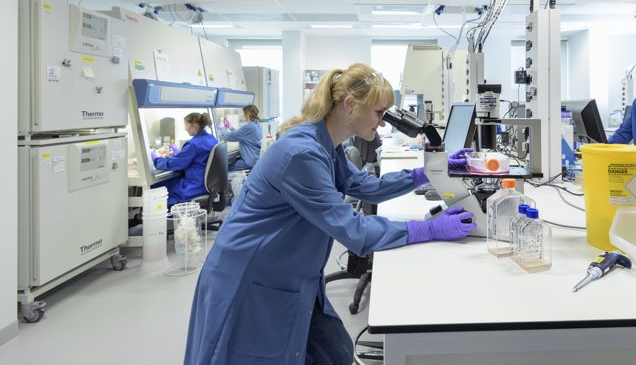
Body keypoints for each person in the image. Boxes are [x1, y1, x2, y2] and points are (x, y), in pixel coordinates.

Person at [183, 63, 476, 365]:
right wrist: (427, 229)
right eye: (379, 112)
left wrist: (426, 172)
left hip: (294, 276)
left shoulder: (325, 145)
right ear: (350, 105)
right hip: (252, 277)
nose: (383, 123)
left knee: (335, 353)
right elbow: (354, 230)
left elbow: (366, 186)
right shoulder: (302, 154)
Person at [151, 112, 218, 206]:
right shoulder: (211, 138)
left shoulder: (193, 144)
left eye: (186, 126)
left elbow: (174, 164)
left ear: (195, 126)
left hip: (193, 186)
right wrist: (181, 153)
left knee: (156, 187)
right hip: (206, 184)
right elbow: (198, 157)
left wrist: (156, 159)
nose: (185, 129)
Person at [218, 104, 263, 171]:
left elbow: (229, 137)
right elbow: (240, 135)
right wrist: (231, 127)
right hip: (253, 160)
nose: (242, 115)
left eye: (244, 113)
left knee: (223, 170)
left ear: (248, 114)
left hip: (247, 162)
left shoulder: (249, 127)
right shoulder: (256, 125)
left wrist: (222, 129)